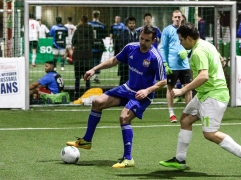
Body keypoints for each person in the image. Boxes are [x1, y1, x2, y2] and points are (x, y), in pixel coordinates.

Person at [159, 22, 241, 176]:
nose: (180, 43)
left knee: (210, 134)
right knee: (185, 119)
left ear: (189, 38)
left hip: (214, 96)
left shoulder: (198, 52)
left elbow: (203, 76)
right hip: (205, 94)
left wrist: (182, 90)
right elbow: (221, 61)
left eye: (181, 40)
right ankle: (180, 159)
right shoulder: (206, 44)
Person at [66, 25, 167, 168]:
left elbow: (164, 81)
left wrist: (147, 90)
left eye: (147, 40)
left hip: (142, 95)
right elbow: (114, 60)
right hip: (127, 88)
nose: (143, 42)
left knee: (123, 117)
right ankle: (87, 140)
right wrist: (94, 69)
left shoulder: (155, 57)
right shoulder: (131, 47)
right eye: (141, 38)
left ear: (154, 40)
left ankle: (128, 158)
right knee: (97, 102)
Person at [160, 10, 192, 123]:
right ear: (172, 18)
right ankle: (171, 114)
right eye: (175, 17)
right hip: (172, 66)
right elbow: (163, 48)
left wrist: (187, 52)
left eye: (179, 17)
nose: (177, 19)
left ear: (182, 18)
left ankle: (188, 112)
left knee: (188, 88)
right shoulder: (167, 30)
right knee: (170, 88)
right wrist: (165, 63)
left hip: (185, 65)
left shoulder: (186, 30)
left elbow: (193, 43)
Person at [71, 15, 94, 100]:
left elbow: (73, 41)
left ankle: (76, 95)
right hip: (87, 56)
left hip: (78, 56)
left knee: (77, 78)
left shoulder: (77, 30)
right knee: (87, 77)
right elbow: (93, 42)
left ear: (80, 21)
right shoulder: (91, 30)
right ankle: (88, 95)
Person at [115, 16, 139, 85]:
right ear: (127, 24)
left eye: (133, 23)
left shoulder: (137, 34)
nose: (132, 25)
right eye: (130, 23)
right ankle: (120, 94)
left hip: (135, 60)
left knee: (134, 78)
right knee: (123, 79)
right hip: (124, 60)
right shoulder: (121, 34)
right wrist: (118, 57)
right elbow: (117, 46)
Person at [88, 10, 107, 83]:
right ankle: (96, 76)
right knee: (98, 61)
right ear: (99, 16)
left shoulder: (89, 24)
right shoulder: (102, 25)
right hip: (99, 45)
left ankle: (91, 75)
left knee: (91, 61)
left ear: (92, 16)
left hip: (91, 45)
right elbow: (104, 36)